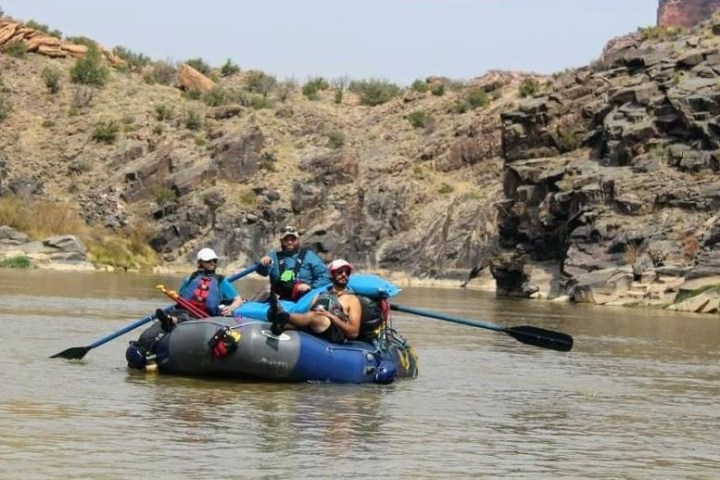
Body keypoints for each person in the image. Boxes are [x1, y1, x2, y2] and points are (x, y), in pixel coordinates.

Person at [267, 258, 362, 343]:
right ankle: (279, 319)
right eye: (340, 272)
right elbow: (307, 318)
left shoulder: (352, 300)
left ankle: (285, 316)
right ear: (332, 274)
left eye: (347, 273)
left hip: (336, 333)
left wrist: (332, 317)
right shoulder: (320, 295)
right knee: (309, 317)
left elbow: (354, 333)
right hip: (316, 327)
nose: (344, 275)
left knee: (317, 316)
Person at [156, 247, 244, 331]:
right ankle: (171, 320)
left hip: (208, 316)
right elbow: (181, 298)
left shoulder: (220, 280)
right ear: (200, 262)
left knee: (187, 318)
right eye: (208, 261)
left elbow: (238, 299)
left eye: (214, 260)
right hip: (187, 311)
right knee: (185, 316)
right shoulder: (191, 278)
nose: (212, 263)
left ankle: (172, 320)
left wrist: (230, 308)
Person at [256, 225, 331, 301]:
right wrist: (263, 263)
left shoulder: (309, 256)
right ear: (281, 241)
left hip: (305, 300)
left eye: (293, 239)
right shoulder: (273, 256)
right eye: (286, 239)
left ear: (298, 240)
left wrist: (311, 286)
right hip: (280, 301)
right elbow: (262, 272)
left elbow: (325, 277)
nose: (290, 242)